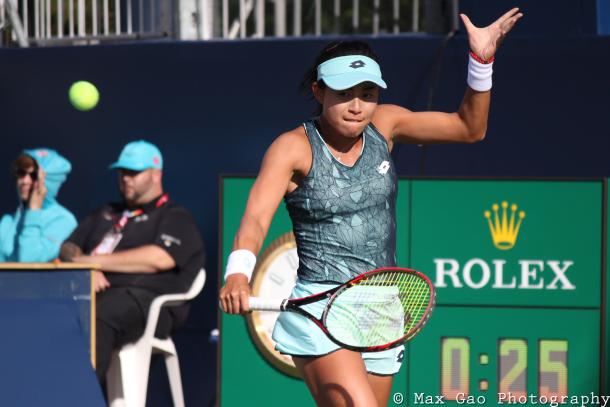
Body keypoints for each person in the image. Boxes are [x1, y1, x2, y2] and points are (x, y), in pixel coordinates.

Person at [219, 8, 523, 407]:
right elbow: (256, 218)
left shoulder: (387, 123)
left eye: (367, 93)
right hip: (319, 309)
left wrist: (481, 61)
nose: (357, 105)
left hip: (381, 306)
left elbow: (470, 128)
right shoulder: (291, 148)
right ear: (318, 91)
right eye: (344, 93)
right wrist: (238, 275)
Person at [59, 140, 205, 386]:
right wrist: (85, 269)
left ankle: (75, 395)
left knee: (98, 315)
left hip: (147, 303)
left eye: (134, 172)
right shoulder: (106, 212)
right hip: (91, 295)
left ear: (156, 174)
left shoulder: (174, 216)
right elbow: (67, 248)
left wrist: (90, 262)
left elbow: (158, 258)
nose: (126, 178)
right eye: (122, 172)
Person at [0, 148, 77, 262]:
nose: (24, 181)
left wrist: (34, 209)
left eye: (34, 175)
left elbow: (29, 261)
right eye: (21, 173)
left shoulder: (65, 220)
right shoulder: (7, 221)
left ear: (49, 182)